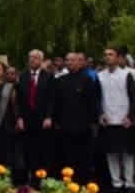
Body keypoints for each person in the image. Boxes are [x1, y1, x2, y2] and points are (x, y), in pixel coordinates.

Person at [49, 53, 98, 182]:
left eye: (72, 60)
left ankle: (83, 183)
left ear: (79, 62)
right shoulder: (60, 80)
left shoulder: (87, 80)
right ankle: (68, 182)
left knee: (83, 157)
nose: (69, 62)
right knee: (67, 156)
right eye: (67, 60)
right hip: (65, 126)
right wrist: (56, 121)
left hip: (83, 127)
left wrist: (92, 122)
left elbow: (92, 103)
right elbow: (56, 103)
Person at [96, 48, 135, 193]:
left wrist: (130, 117)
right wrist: (100, 114)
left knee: (127, 153)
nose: (107, 57)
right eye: (105, 55)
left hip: (124, 120)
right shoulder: (99, 76)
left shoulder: (127, 74)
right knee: (111, 153)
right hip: (108, 120)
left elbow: (134, 98)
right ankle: (116, 183)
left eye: (110, 54)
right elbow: (97, 98)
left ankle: (130, 182)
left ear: (118, 57)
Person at [15, 49, 55, 185]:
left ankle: (41, 179)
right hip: (27, 120)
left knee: (42, 150)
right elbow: (19, 100)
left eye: (35, 58)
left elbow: (51, 99)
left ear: (41, 60)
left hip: (42, 119)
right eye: (30, 57)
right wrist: (19, 117)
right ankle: (28, 179)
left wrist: (49, 117)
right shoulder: (23, 76)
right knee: (28, 150)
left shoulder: (48, 76)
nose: (32, 60)